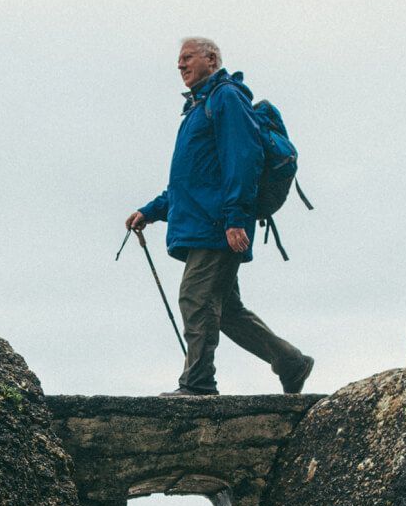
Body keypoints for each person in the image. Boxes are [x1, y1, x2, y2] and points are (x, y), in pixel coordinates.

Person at [126, 37, 314, 396]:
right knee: (226, 310)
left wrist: (234, 219)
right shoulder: (199, 108)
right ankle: (291, 362)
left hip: (217, 227)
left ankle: (197, 384)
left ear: (211, 59)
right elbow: (191, 182)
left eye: (187, 58)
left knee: (195, 298)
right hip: (205, 224)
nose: (179, 65)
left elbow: (242, 160)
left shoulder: (225, 97)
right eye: (178, 60)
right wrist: (149, 212)